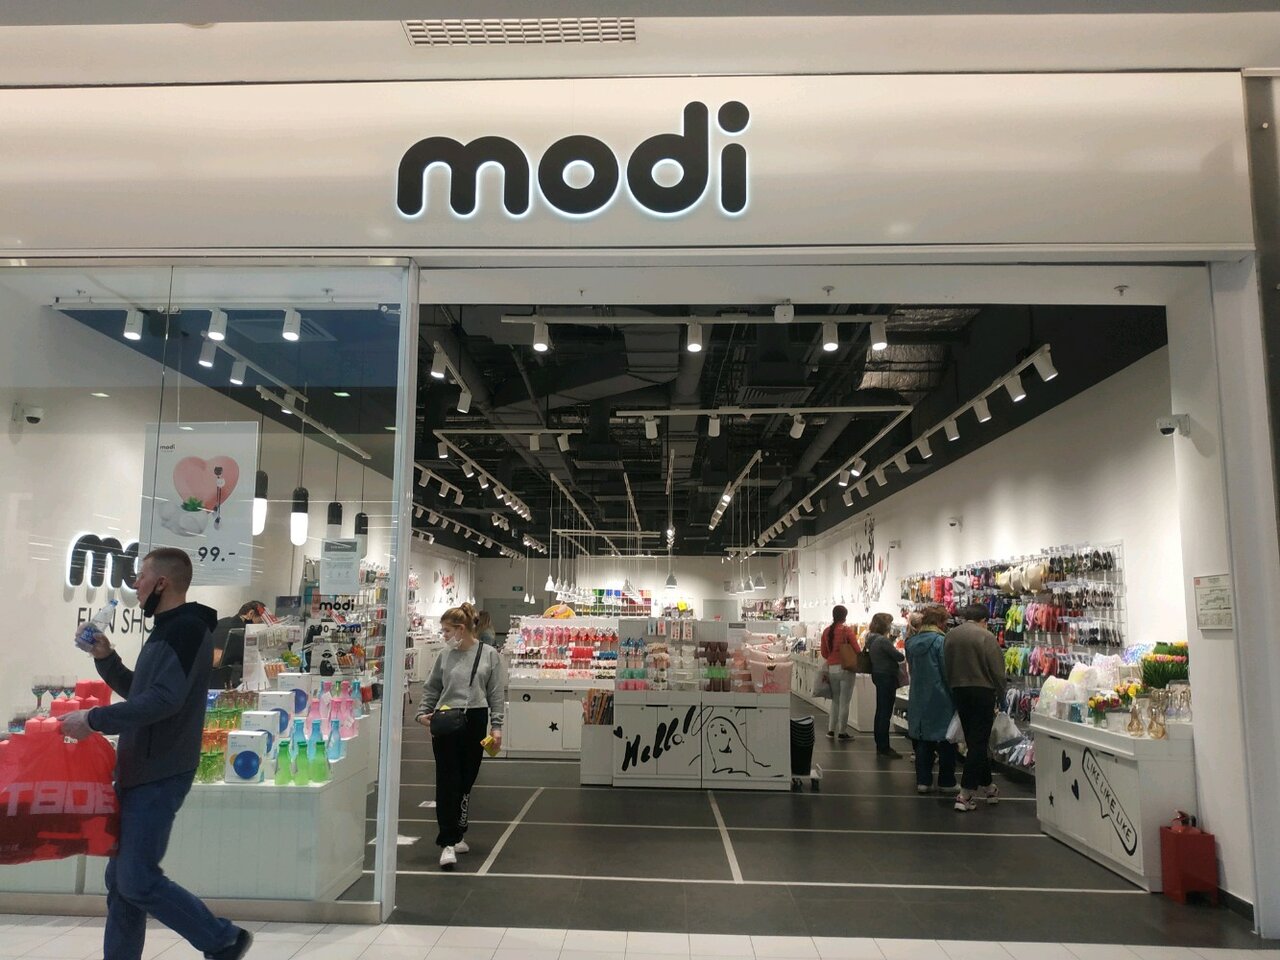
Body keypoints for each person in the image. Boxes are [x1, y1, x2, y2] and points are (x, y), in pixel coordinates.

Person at [61, 548, 253, 960]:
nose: (136, 584)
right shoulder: (168, 628)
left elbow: (164, 701)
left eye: (142, 577)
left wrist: (94, 719)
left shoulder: (185, 629)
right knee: (122, 883)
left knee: (135, 879)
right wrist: (106, 659)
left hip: (160, 770)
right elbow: (143, 693)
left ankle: (223, 939)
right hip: (141, 768)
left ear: (162, 583)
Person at [415, 602, 505, 870]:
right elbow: (432, 687)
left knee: (467, 778)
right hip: (445, 719)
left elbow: (495, 693)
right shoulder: (444, 655)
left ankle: (458, 831)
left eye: (446, 630)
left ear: (461, 629)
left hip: (475, 719)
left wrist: (496, 726)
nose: (443, 635)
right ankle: (447, 840)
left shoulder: (489, 655)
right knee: (447, 780)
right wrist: (422, 713)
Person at [944, 603, 1007, 812]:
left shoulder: (951, 635)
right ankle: (965, 794)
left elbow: (946, 665)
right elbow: (997, 670)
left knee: (974, 741)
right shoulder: (985, 637)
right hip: (982, 691)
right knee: (979, 742)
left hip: (959, 690)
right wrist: (1002, 695)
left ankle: (989, 787)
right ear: (984, 620)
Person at [906, 605, 958, 794]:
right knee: (947, 740)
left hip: (918, 694)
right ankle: (946, 781)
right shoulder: (941, 642)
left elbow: (911, 668)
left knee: (923, 741)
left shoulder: (911, 642)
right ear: (939, 622)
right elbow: (947, 671)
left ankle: (923, 781)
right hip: (941, 696)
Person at [864, 612, 906, 758]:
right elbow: (899, 656)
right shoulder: (882, 640)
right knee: (885, 712)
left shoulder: (870, 638)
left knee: (881, 710)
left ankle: (880, 744)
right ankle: (884, 746)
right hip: (886, 676)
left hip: (878, 674)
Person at [819, 604, 861, 741]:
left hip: (832, 668)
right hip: (846, 668)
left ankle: (831, 730)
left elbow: (824, 652)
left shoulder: (826, 631)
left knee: (835, 701)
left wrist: (833, 658)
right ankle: (842, 732)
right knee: (845, 702)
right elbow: (857, 649)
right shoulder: (847, 631)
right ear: (844, 616)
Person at [209, 600, 265, 688]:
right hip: (222, 677)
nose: (258, 626)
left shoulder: (223, 622)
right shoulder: (240, 630)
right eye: (259, 622)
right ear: (251, 613)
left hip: (210, 673)